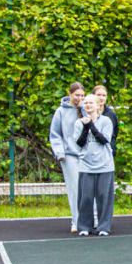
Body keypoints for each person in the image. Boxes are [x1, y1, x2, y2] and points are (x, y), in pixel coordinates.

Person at [73, 88, 116, 237]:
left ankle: (104, 226)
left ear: (98, 105)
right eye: (86, 103)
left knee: (104, 197)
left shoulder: (106, 121)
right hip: (86, 165)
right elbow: (80, 142)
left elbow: (104, 139)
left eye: (91, 103)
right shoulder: (78, 123)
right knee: (85, 198)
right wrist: (85, 126)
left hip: (105, 165)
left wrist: (90, 125)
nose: (88, 105)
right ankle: (84, 226)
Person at [48, 82, 85, 233]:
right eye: (77, 95)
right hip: (69, 156)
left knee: (89, 189)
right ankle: (76, 221)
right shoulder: (60, 112)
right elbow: (55, 134)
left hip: (87, 156)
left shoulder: (86, 109)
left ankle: (91, 220)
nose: (79, 98)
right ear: (70, 94)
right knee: (75, 189)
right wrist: (60, 153)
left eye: (82, 95)